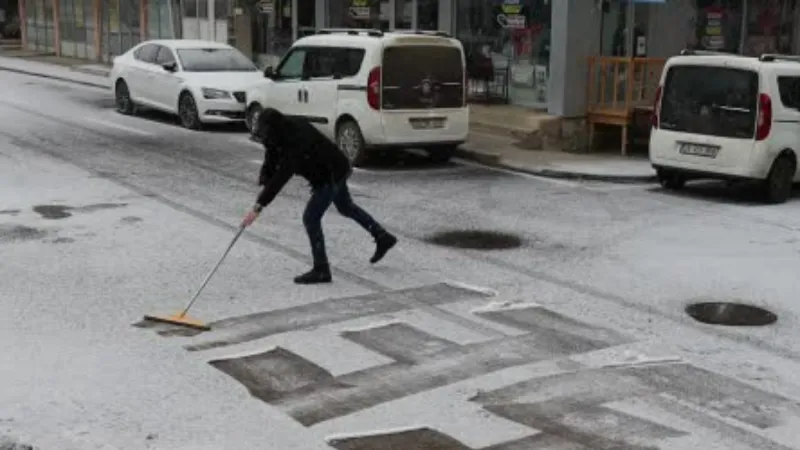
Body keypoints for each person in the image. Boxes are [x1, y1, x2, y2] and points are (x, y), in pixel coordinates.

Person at [241, 108, 397, 284]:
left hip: (330, 174)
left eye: (265, 134)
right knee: (345, 207)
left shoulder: (296, 140)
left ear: (274, 128)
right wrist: (265, 174)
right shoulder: (279, 131)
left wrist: (259, 206)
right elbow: (271, 152)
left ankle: (321, 269)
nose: (264, 138)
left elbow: (282, 176)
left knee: (311, 217)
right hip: (333, 168)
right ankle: (382, 237)